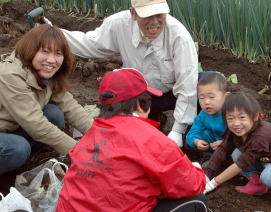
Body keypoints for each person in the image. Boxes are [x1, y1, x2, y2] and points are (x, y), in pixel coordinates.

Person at [56, 68, 207, 212]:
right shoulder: (152, 139)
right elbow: (191, 184)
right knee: (197, 200)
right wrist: (196, 169)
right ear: (140, 105)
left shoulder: (92, 133)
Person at [61, 0, 198, 147]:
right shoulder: (119, 24)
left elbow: (187, 85)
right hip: (142, 96)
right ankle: (152, 119)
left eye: (159, 14)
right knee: (134, 140)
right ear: (133, 13)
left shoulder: (179, 36)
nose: (154, 22)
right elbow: (91, 43)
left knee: (205, 85)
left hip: (173, 94)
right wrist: (55, 34)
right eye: (147, 16)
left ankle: (191, 136)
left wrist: (177, 131)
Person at [0, 24, 93, 176]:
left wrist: (103, 137)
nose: (52, 60)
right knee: (18, 148)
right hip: (7, 134)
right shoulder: (9, 75)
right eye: (45, 51)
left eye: (58, 53)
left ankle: (21, 165)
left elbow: (72, 108)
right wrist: (79, 152)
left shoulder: (46, 74)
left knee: (53, 114)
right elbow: (35, 124)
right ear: (31, 50)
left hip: (9, 127)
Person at [203, 92, 271, 212]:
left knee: (269, 176)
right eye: (230, 118)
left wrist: (213, 183)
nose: (236, 123)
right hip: (263, 159)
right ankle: (258, 185)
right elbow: (223, 148)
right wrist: (206, 174)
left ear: (255, 117)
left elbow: (241, 165)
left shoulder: (261, 135)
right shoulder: (235, 131)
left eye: (242, 117)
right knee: (236, 154)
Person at [186, 71, 229, 153]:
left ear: (226, 97)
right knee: (205, 134)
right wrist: (196, 141)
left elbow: (241, 136)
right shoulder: (203, 115)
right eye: (201, 98)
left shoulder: (232, 113)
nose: (206, 102)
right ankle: (210, 157)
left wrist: (225, 143)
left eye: (211, 97)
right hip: (215, 147)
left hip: (233, 147)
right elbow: (192, 133)